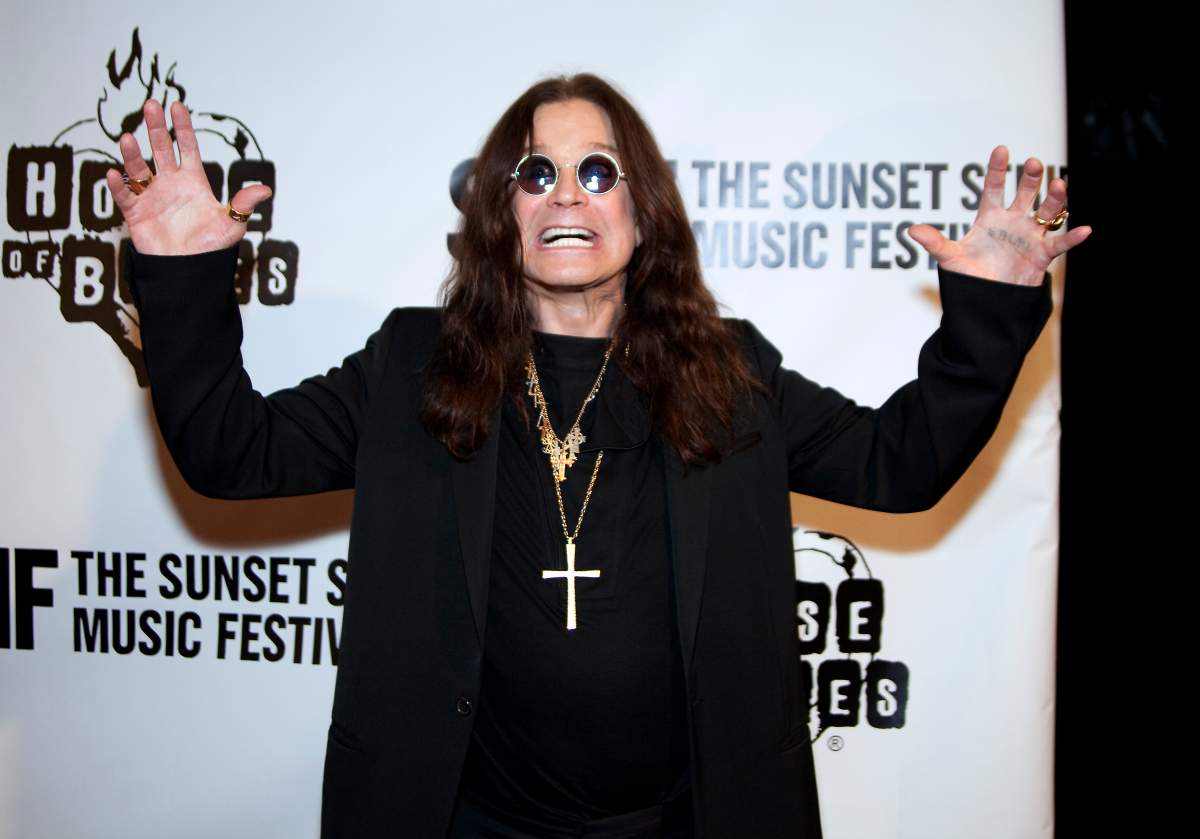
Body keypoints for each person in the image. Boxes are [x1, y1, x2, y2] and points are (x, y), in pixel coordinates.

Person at [109, 73, 1089, 839]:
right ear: (500, 212)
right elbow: (231, 454)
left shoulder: (731, 372)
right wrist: (183, 277)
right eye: (534, 173)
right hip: (463, 823)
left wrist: (992, 310)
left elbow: (900, 466)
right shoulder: (412, 366)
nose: (565, 193)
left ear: (644, 207)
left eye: (598, 170)